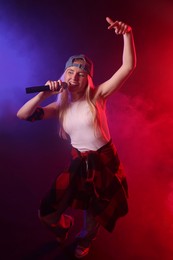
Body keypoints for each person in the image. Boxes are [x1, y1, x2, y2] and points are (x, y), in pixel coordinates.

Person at [17, 16, 136, 258]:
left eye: (80, 74)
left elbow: (128, 68)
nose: (74, 77)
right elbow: (23, 115)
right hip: (77, 161)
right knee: (47, 212)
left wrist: (127, 34)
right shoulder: (60, 107)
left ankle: (86, 239)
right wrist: (42, 95)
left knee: (95, 210)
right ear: (63, 76)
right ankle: (64, 226)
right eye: (70, 72)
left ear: (87, 79)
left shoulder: (97, 97)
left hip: (103, 161)